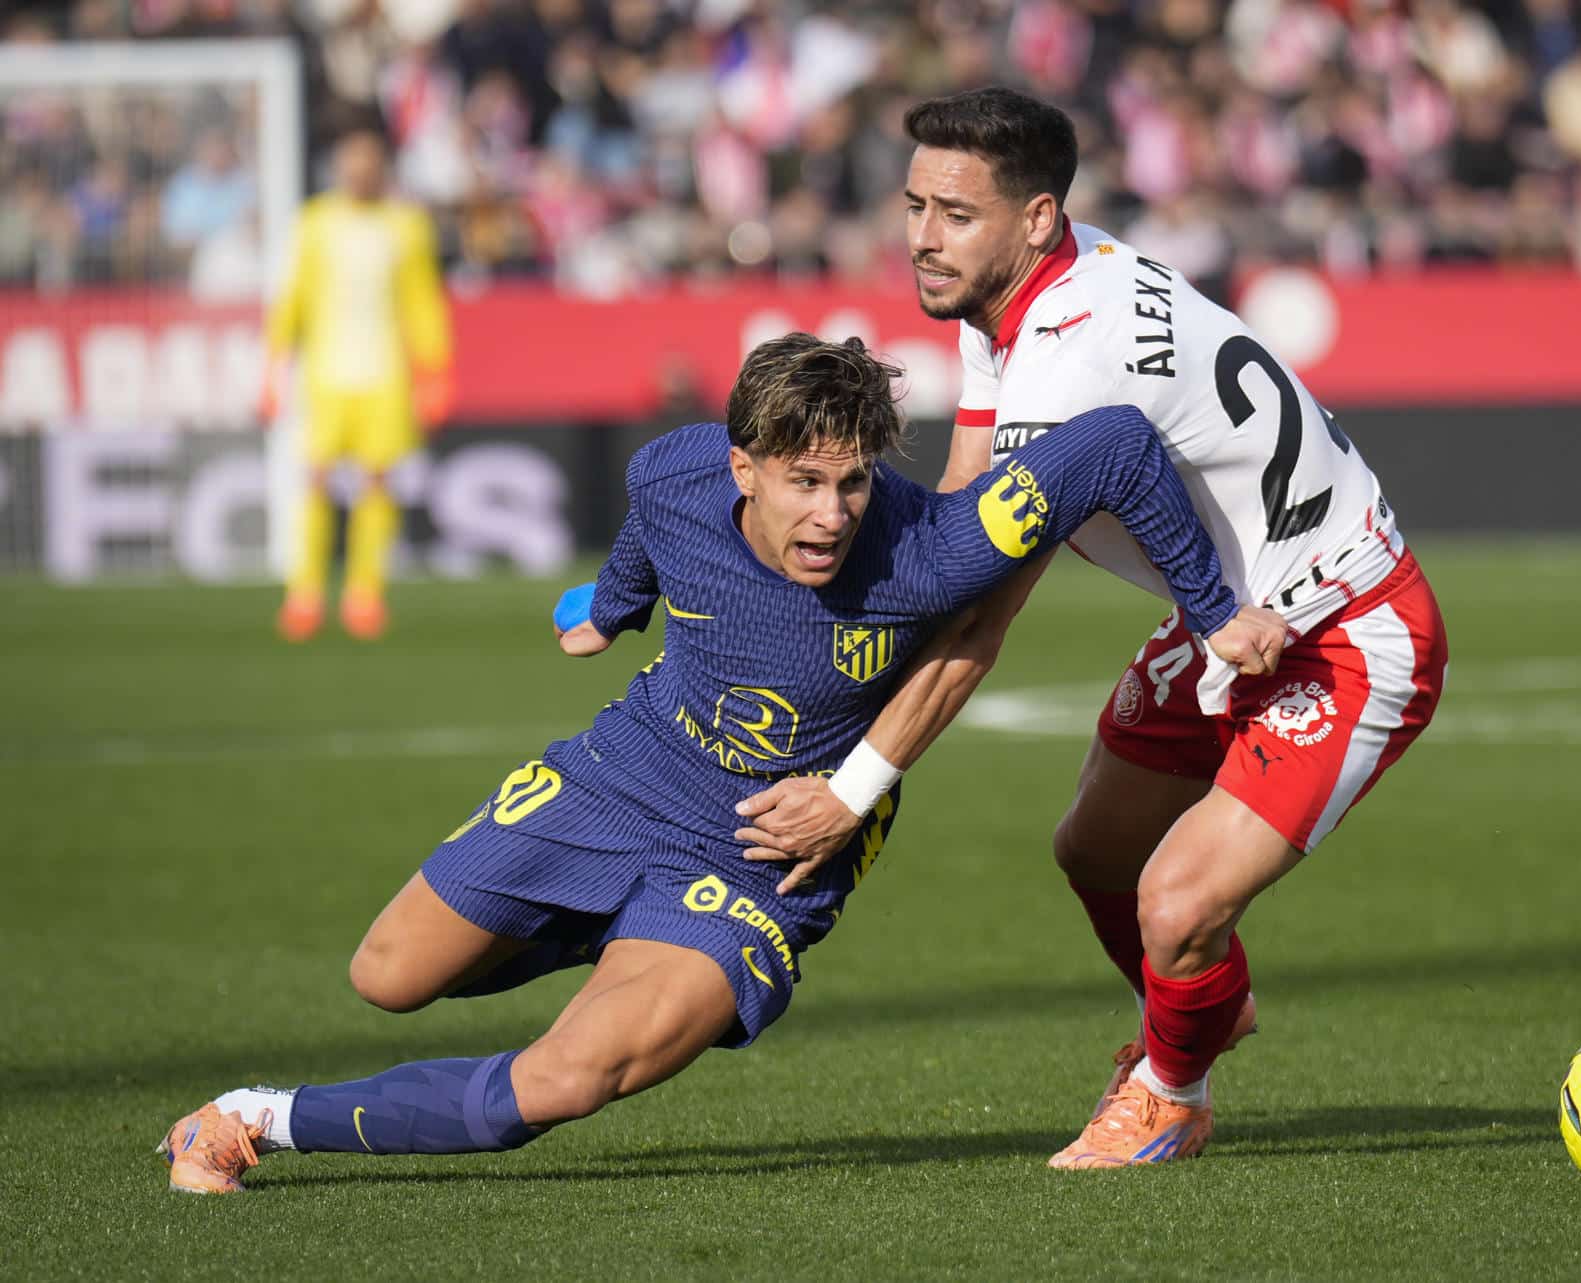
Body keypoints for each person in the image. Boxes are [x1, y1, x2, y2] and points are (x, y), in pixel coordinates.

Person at [156, 332, 1290, 1195]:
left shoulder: (933, 547)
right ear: (743, 467)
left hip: (763, 852)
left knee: (556, 1083)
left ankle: (250, 1118)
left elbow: (1120, 446)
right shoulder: (673, 472)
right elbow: (649, 532)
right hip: (628, 770)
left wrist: (1214, 610)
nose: (835, 513)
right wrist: (610, 606)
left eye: (853, 482)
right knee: (388, 972)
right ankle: (620, 930)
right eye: (804, 481)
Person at [732, 88, 1448, 1168]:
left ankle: (1173, 1086)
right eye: (916, 202)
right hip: (1228, 614)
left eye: (955, 214)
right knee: (1097, 848)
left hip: (1346, 629)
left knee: (1175, 898)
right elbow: (960, 507)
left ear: (1035, 218)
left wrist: (852, 787)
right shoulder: (1021, 291)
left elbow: (983, 607)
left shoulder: (1067, 364)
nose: (922, 236)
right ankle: (1206, 1008)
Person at [263, 123, 453, 643]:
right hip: (326, 374)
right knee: (317, 480)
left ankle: (364, 594)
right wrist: (275, 364)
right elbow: (293, 298)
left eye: (370, 161)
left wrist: (435, 371)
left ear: (382, 168)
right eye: (353, 161)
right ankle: (304, 594)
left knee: (376, 482)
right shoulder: (316, 222)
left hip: (385, 376)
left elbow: (422, 302)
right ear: (340, 167)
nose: (361, 171)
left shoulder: (406, 225)